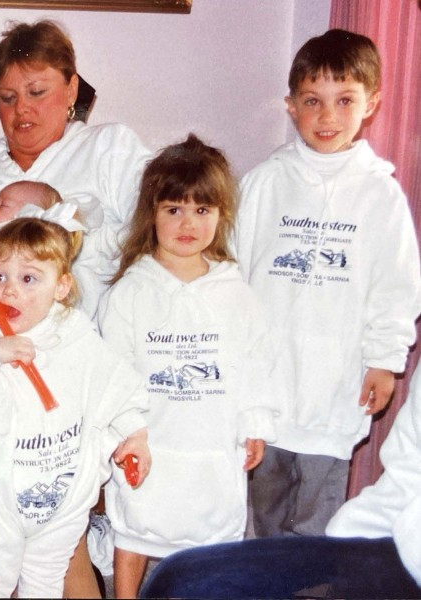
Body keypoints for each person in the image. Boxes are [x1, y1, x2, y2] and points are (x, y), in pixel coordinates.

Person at [235, 28, 421, 537]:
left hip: (336, 383)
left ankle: (312, 578)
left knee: (317, 517)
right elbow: (233, 272)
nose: (327, 117)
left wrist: (385, 359)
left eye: (345, 101)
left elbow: (396, 287)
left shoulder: (381, 194)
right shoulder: (265, 183)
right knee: (263, 510)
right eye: (313, 101)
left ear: (371, 104)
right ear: (291, 105)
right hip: (269, 382)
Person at [0, 217, 151, 597]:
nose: (9, 290)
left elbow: (114, 388)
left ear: (61, 287)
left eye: (28, 279)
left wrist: (135, 434)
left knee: (45, 579)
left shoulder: (75, 337)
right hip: (2, 496)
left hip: (63, 493)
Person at [97, 134, 278, 597]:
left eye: (202, 210)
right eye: (174, 209)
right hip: (150, 439)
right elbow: (113, 369)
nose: (188, 223)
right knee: (134, 528)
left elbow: (254, 361)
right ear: (151, 214)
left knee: (212, 538)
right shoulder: (131, 292)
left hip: (210, 439)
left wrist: (254, 421)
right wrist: (129, 428)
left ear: (221, 215)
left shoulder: (234, 292)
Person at [138, 363, 421, 600]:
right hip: (395, 544)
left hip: (408, 560)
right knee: (176, 580)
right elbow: (405, 475)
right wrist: (344, 552)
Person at [0, 20, 153, 318]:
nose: (21, 108)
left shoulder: (109, 148)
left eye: (37, 92)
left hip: (98, 329)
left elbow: (156, 230)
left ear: (71, 90)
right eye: (8, 98)